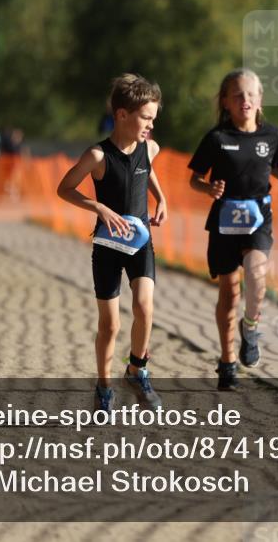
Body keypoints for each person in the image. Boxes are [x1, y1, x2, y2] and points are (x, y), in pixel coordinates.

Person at [187, 68, 278, 391]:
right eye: (237, 95)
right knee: (229, 292)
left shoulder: (271, 136)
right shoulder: (216, 138)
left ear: (260, 99)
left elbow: (277, 169)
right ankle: (227, 361)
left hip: (258, 217)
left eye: (250, 94)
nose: (244, 100)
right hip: (224, 220)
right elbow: (195, 178)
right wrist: (207, 189)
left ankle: (250, 328)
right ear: (225, 101)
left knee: (256, 274)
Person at [56, 74, 168, 412]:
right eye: (146, 118)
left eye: (153, 118)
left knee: (145, 306)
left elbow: (146, 171)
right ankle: (104, 386)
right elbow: (65, 188)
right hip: (107, 247)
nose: (151, 124)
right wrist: (99, 207)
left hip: (140, 243)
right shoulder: (97, 156)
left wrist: (161, 198)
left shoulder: (150, 147)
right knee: (111, 324)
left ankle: (137, 368)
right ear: (122, 115)